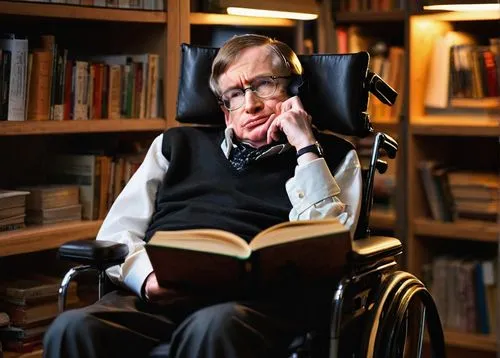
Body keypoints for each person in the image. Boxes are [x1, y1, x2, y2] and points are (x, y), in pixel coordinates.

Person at [43, 34, 362, 358]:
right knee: (71, 329)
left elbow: (330, 247)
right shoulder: (174, 145)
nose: (249, 104)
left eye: (263, 84)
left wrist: (306, 147)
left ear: (295, 90)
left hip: (254, 309)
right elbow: (117, 233)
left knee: (211, 327)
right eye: (234, 95)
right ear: (225, 112)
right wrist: (149, 278)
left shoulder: (334, 157)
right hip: (159, 298)